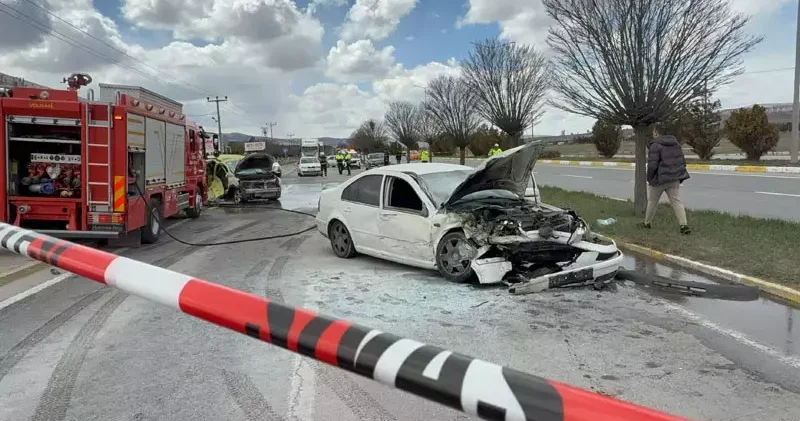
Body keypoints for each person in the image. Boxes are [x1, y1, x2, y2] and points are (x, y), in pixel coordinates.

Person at [641, 126, 691, 234]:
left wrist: (650, 179)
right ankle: (684, 225)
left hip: (659, 179)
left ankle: (647, 223)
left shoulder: (655, 145)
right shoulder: (676, 144)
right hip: (674, 179)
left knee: (652, 201)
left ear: (657, 132)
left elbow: (652, 166)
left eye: (654, 131)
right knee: (677, 201)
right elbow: (682, 161)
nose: (653, 133)